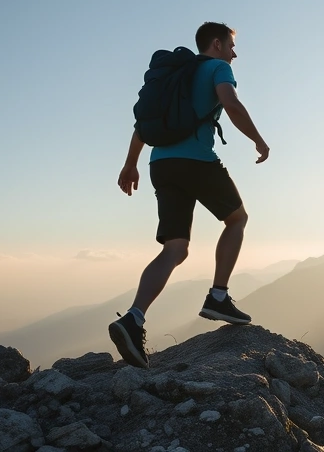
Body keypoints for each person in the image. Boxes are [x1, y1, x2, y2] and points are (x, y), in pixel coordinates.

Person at [109, 21, 270, 369]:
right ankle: (218, 296)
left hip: (160, 164)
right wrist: (258, 139)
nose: (234, 53)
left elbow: (144, 125)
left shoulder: (176, 77)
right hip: (196, 161)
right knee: (237, 219)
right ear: (216, 44)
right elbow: (231, 103)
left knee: (175, 249)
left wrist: (130, 165)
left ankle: (133, 318)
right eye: (231, 45)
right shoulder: (217, 68)